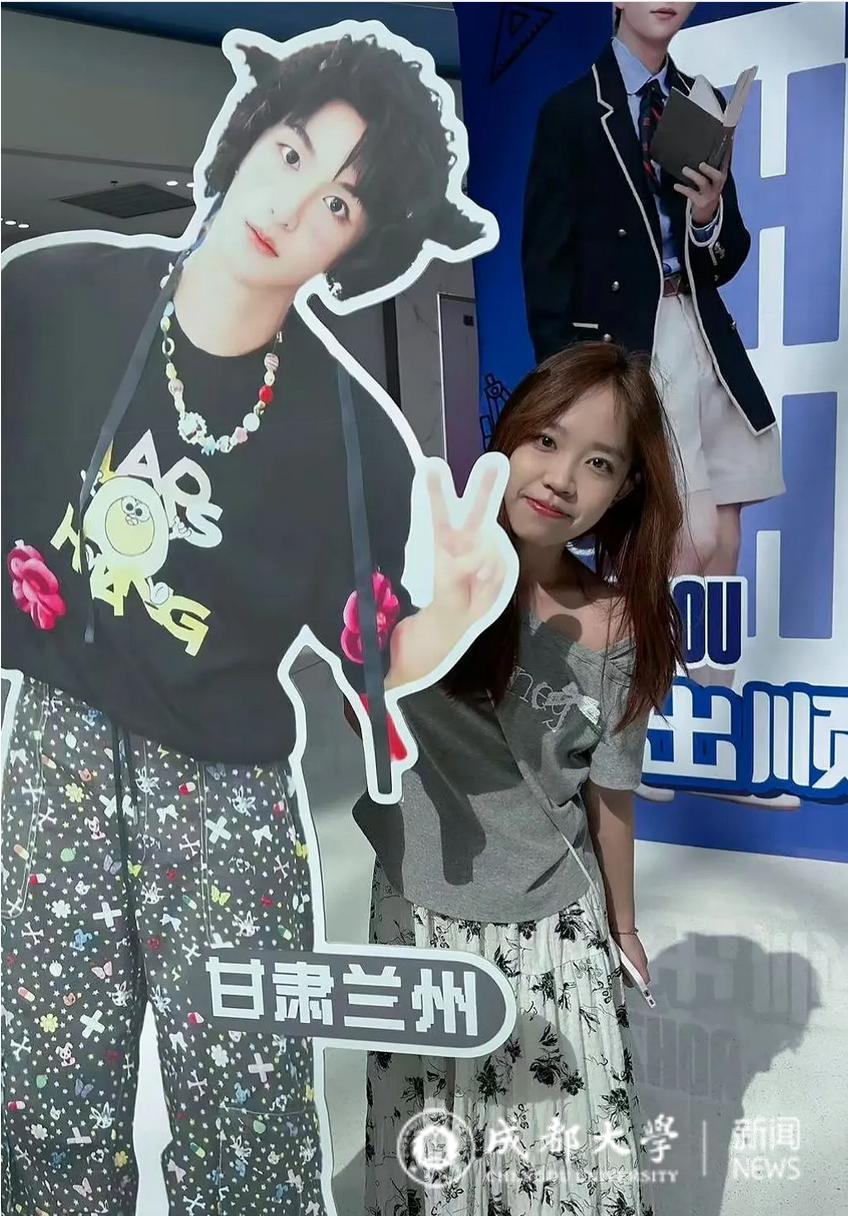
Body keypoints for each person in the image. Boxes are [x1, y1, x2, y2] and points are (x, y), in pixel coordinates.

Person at [0, 31, 507, 1216]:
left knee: (246, 1135)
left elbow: (375, 657)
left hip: (224, 801)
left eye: (337, 201)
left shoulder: (350, 437)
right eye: (288, 153)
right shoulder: (53, 295)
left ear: (355, 244)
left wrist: (455, 611)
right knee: (47, 1113)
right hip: (57, 759)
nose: (289, 205)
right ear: (244, 142)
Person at [353, 341, 685, 1215]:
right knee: (432, 1155)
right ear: (507, 436)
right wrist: (427, 618)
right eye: (546, 440)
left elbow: (610, 792)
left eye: (599, 463)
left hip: (549, 929)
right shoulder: (419, 565)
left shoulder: (619, 625)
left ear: (626, 488)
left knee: (561, 1163)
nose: (561, 479)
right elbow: (362, 720)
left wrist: (624, 926)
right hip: (420, 911)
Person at [522, 1, 784, 582]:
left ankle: (709, 651)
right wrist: (570, 387)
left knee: (725, 538)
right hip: (630, 343)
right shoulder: (572, 112)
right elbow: (545, 271)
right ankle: (645, 646)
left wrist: (708, 212)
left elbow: (728, 255)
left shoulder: (701, 101)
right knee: (685, 535)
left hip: (703, 334)